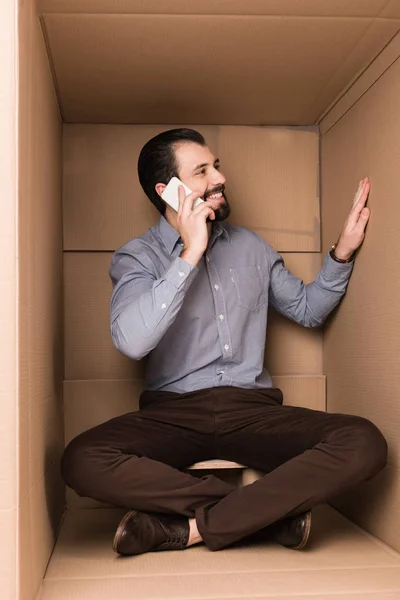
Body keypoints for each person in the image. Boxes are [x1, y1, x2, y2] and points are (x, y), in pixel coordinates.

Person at [61, 128, 387, 557]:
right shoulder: (137, 256)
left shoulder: (251, 247)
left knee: (364, 442)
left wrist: (342, 253)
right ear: (169, 191)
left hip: (252, 410)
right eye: (202, 171)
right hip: (173, 412)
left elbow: (309, 310)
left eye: (216, 166)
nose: (219, 177)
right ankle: (267, 516)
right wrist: (190, 252)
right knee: (81, 459)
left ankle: (188, 529)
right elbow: (132, 341)